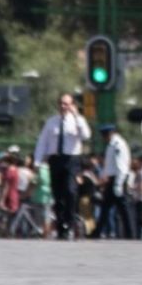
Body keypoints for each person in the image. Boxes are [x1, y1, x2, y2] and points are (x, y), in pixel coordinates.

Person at [34, 94, 92, 239]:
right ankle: (61, 226)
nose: (63, 106)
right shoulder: (51, 122)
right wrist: (37, 161)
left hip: (72, 159)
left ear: (72, 105)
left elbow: (86, 135)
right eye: (61, 103)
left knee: (71, 191)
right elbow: (43, 142)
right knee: (58, 194)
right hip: (55, 159)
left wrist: (77, 116)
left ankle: (70, 222)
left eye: (66, 104)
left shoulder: (78, 121)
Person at [89, 124, 133, 239]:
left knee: (124, 209)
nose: (104, 138)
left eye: (104, 135)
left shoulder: (118, 144)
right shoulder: (111, 145)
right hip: (113, 179)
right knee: (106, 207)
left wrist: (118, 183)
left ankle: (131, 233)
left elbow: (121, 166)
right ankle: (97, 232)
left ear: (109, 134)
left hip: (118, 179)